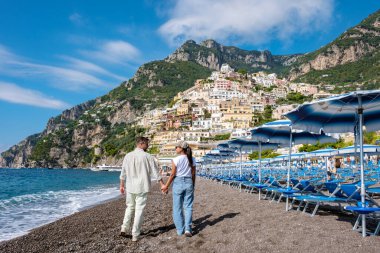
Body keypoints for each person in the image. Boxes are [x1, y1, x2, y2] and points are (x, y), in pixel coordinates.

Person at [119, 137, 165, 242]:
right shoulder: (148, 156)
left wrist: (121, 185)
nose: (148, 145)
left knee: (129, 207)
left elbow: (123, 173)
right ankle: (135, 234)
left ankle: (124, 228)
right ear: (141, 143)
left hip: (130, 186)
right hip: (142, 186)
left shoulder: (128, 156)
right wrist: (162, 184)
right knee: (139, 210)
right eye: (147, 143)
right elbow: (155, 172)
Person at [161, 141, 196, 237]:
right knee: (188, 206)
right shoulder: (192, 159)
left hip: (178, 183)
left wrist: (166, 186)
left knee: (177, 207)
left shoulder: (176, 159)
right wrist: (193, 185)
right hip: (189, 182)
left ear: (181, 148)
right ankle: (188, 229)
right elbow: (193, 174)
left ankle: (180, 230)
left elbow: (172, 174)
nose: (175, 148)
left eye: (176, 147)